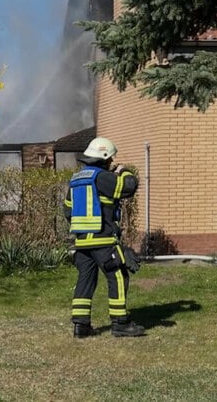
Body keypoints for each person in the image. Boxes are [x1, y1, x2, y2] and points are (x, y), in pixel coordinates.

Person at [63, 136, 145, 338]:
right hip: (103, 241)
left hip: (82, 243)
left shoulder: (75, 180)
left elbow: (67, 211)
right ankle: (120, 323)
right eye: (111, 159)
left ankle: (80, 326)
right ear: (105, 158)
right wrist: (123, 170)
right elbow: (129, 186)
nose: (112, 162)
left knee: (86, 279)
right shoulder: (102, 178)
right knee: (118, 276)